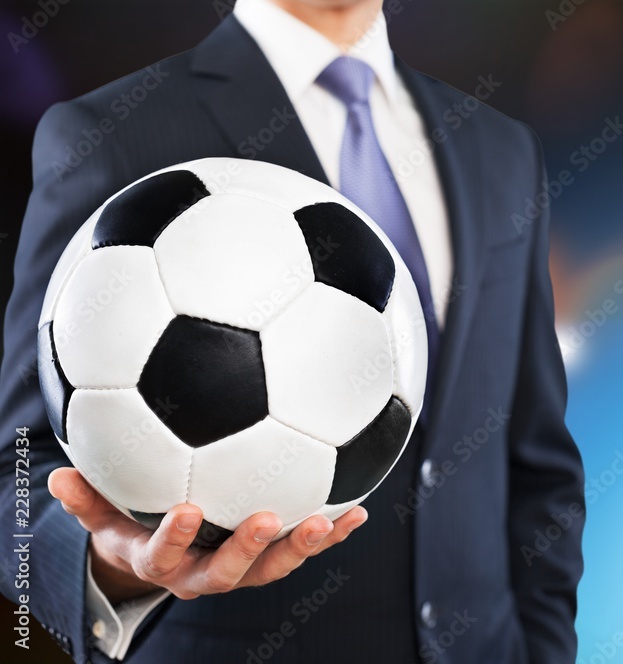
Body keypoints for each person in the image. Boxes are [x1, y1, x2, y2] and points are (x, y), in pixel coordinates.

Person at [0, 0, 585, 662]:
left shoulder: (499, 146)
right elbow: (12, 472)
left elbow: (537, 457)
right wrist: (109, 565)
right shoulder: (110, 131)